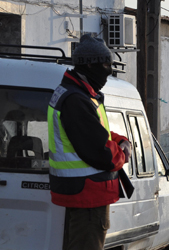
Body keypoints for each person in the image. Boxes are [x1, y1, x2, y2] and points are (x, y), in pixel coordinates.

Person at [47, 34, 132, 250]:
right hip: (87, 196)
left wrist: (121, 140)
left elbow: (97, 131)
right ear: (89, 64)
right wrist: (123, 153)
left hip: (82, 193)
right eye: (105, 63)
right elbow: (101, 152)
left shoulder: (80, 94)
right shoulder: (76, 99)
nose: (108, 70)